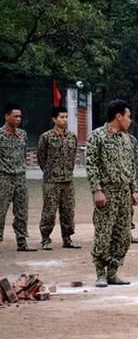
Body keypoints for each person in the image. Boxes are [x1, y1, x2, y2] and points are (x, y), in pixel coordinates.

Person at [86, 100, 138, 287]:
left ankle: (113, 272)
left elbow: (130, 166)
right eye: (128, 116)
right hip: (106, 192)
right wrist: (97, 190)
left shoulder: (127, 139)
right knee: (104, 234)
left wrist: (133, 190)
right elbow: (91, 165)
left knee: (123, 235)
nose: (130, 120)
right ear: (118, 116)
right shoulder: (97, 136)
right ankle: (100, 273)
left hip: (124, 192)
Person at [37, 106, 80, 250]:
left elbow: (73, 156)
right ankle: (45, 238)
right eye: (61, 117)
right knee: (49, 211)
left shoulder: (72, 137)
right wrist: (50, 171)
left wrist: (66, 171)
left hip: (68, 180)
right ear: (54, 119)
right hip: (51, 181)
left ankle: (67, 238)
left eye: (66, 117)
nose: (65, 120)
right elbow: (41, 157)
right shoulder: (46, 137)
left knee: (68, 211)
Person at [0, 103, 35, 251]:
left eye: (20, 116)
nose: (18, 119)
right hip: (4, 178)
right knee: (1, 211)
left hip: (20, 177)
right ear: (7, 116)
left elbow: (23, 154)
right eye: (15, 116)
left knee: (21, 211)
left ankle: (22, 242)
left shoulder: (22, 134)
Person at [128, 132, 138, 244]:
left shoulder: (132, 139)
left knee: (128, 210)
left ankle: (128, 234)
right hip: (112, 182)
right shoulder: (106, 136)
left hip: (129, 180)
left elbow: (137, 162)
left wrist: (135, 186)